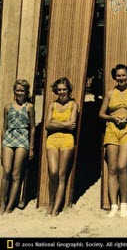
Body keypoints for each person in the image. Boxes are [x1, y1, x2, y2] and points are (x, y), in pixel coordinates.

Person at [99, 64, 127, 218]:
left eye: (123, 75)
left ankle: (124, 203)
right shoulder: (110, 94)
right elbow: (101, 114)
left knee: (122, 166)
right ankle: (113, 205)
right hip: (111, 129)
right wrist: (112, 118)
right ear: (114, 77)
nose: (121, 78)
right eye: (118, 75)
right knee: (112, 168)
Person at [0, 79, 35, 215]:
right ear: (14, 91)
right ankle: (2, 205)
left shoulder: (29, 107)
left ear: (26, 92)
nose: (19, 93)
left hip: (22, 140)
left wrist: (31, 147)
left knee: (16, 174)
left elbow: (32, 128)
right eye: (17, 90)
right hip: (9, 139)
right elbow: (4, 128)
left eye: (22, 91)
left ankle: (9, 207)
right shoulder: (8, 107)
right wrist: (2, 147)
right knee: (6, 171)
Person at [45, 77, 78, 216]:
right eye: (59, 90)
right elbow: (47, 125)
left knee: (61, 174)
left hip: (67, 140)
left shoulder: (73, 105)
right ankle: (51, 203)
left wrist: (56, 124)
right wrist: (64, 124)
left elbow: (72, 125)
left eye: (64, 89)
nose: (62, 92)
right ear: (55, 91)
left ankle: (56, 208)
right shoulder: (52, 105)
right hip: (52, 140)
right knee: (52, 172)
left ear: (68, 90)